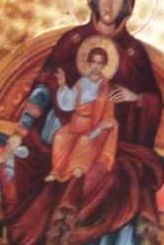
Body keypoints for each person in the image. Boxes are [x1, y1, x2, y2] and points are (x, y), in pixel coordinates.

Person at [0, 0, 164, 245]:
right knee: (16, 170)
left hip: (113, 143)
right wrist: (21, 131)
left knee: (112, 182)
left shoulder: (133, 54)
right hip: (60, 135)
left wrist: (134, 98)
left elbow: (152, 103)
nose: (110, 2)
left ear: (128, 4)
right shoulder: (72, 42)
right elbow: (44, 90)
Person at [46, 46, 118, 182]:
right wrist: (62, 85)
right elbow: (69, 104)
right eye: (94, 62)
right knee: (60, 136)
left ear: (104, 65)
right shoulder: (82, 82)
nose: (96, 66)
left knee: (84, 140)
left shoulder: (106, 87)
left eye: (100, 63)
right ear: (89, 63)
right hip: (76, 123)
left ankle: (75, 169)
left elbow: (109, 114)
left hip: (94, 126)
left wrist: (100, 128)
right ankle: (57, 171)